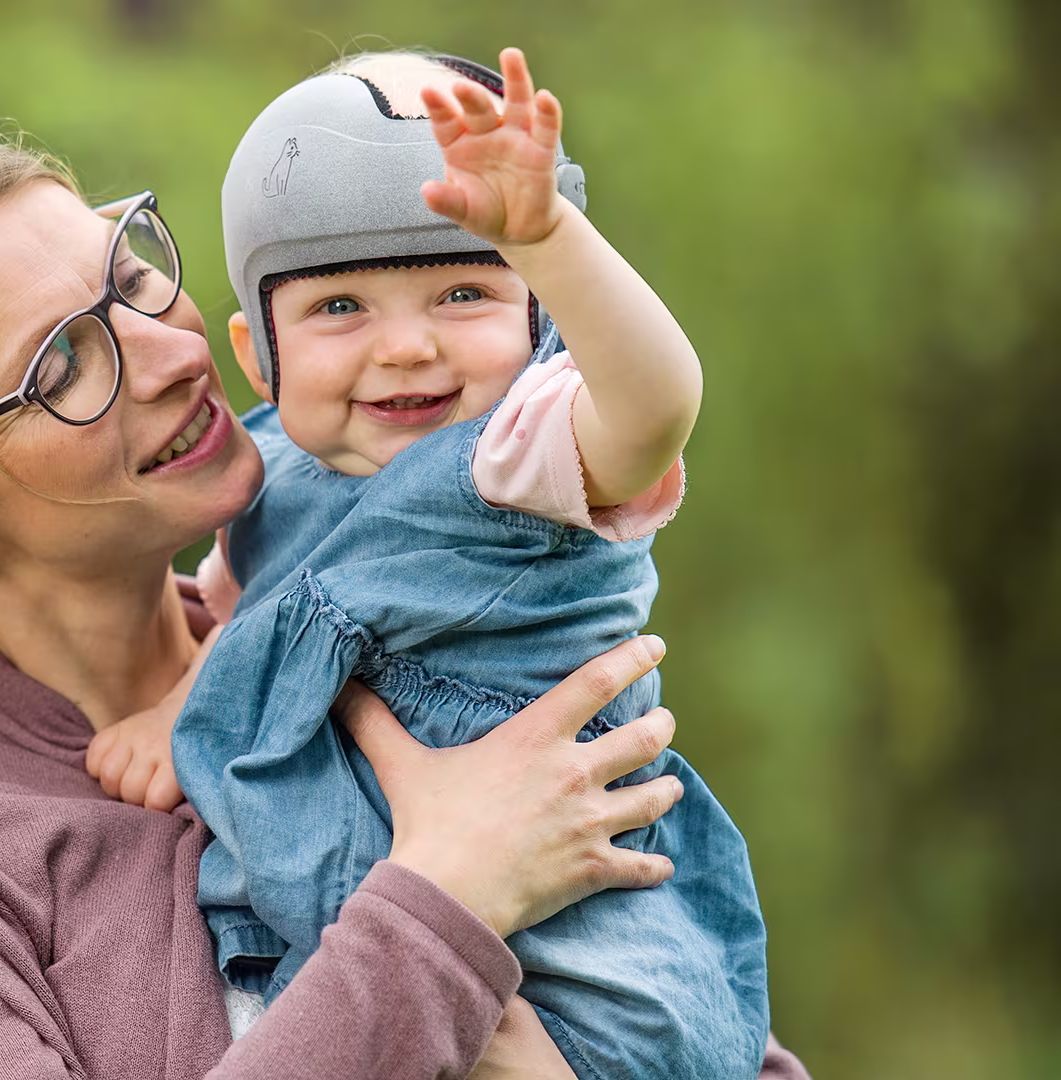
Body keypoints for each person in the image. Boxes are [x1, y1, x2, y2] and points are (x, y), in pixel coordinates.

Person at [0, 118, 809, 1078]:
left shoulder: (405, 626)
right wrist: (448, 897)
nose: (170, 352)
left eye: (131, 278)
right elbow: (444, 920)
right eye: (61, 365)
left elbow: (697, 1002)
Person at [148, 47, 765, 1080]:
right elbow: (238, 631)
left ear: (539, 326)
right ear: (259, 355)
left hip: (579, 971)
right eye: (339, 308)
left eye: (464, 292)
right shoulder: (270, 475)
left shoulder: (524, 449)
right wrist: (169, 708)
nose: (406, 348)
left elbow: (654, 405)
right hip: (368, 957)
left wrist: (550, 240)